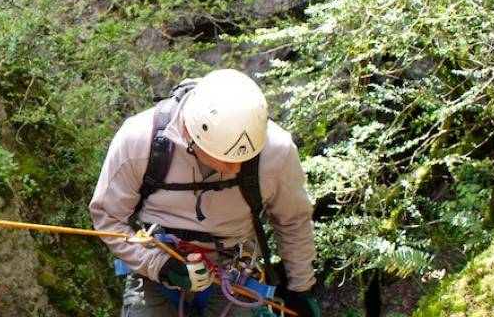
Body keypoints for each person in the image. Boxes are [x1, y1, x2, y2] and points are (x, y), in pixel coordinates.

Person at [89, 69, 321, 317]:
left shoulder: (277, 151)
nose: (237, 168)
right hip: (156, 266)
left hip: (233, 273)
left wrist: (301, 288)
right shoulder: (139, 140)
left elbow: (293, 221)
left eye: (247, 158)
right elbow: (110, 218)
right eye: (226, 159)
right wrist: (159, 265)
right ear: (191, 136)